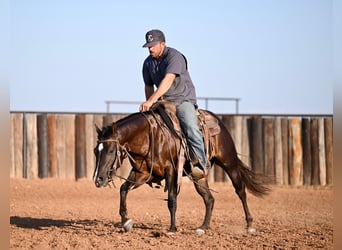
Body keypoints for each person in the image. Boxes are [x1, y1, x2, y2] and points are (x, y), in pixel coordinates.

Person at [139, 29, 208, 178]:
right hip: (164, 101)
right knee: (150, 127)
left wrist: (151, 101)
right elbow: (148, 86)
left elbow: (168, 80)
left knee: (190, 127)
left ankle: (201, 164)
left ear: (163, 44)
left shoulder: (175, 56)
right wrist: (149, 107)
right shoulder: (147, 63)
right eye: (148, 46)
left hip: (182, 99)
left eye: (153, 45)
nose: (150, 49)